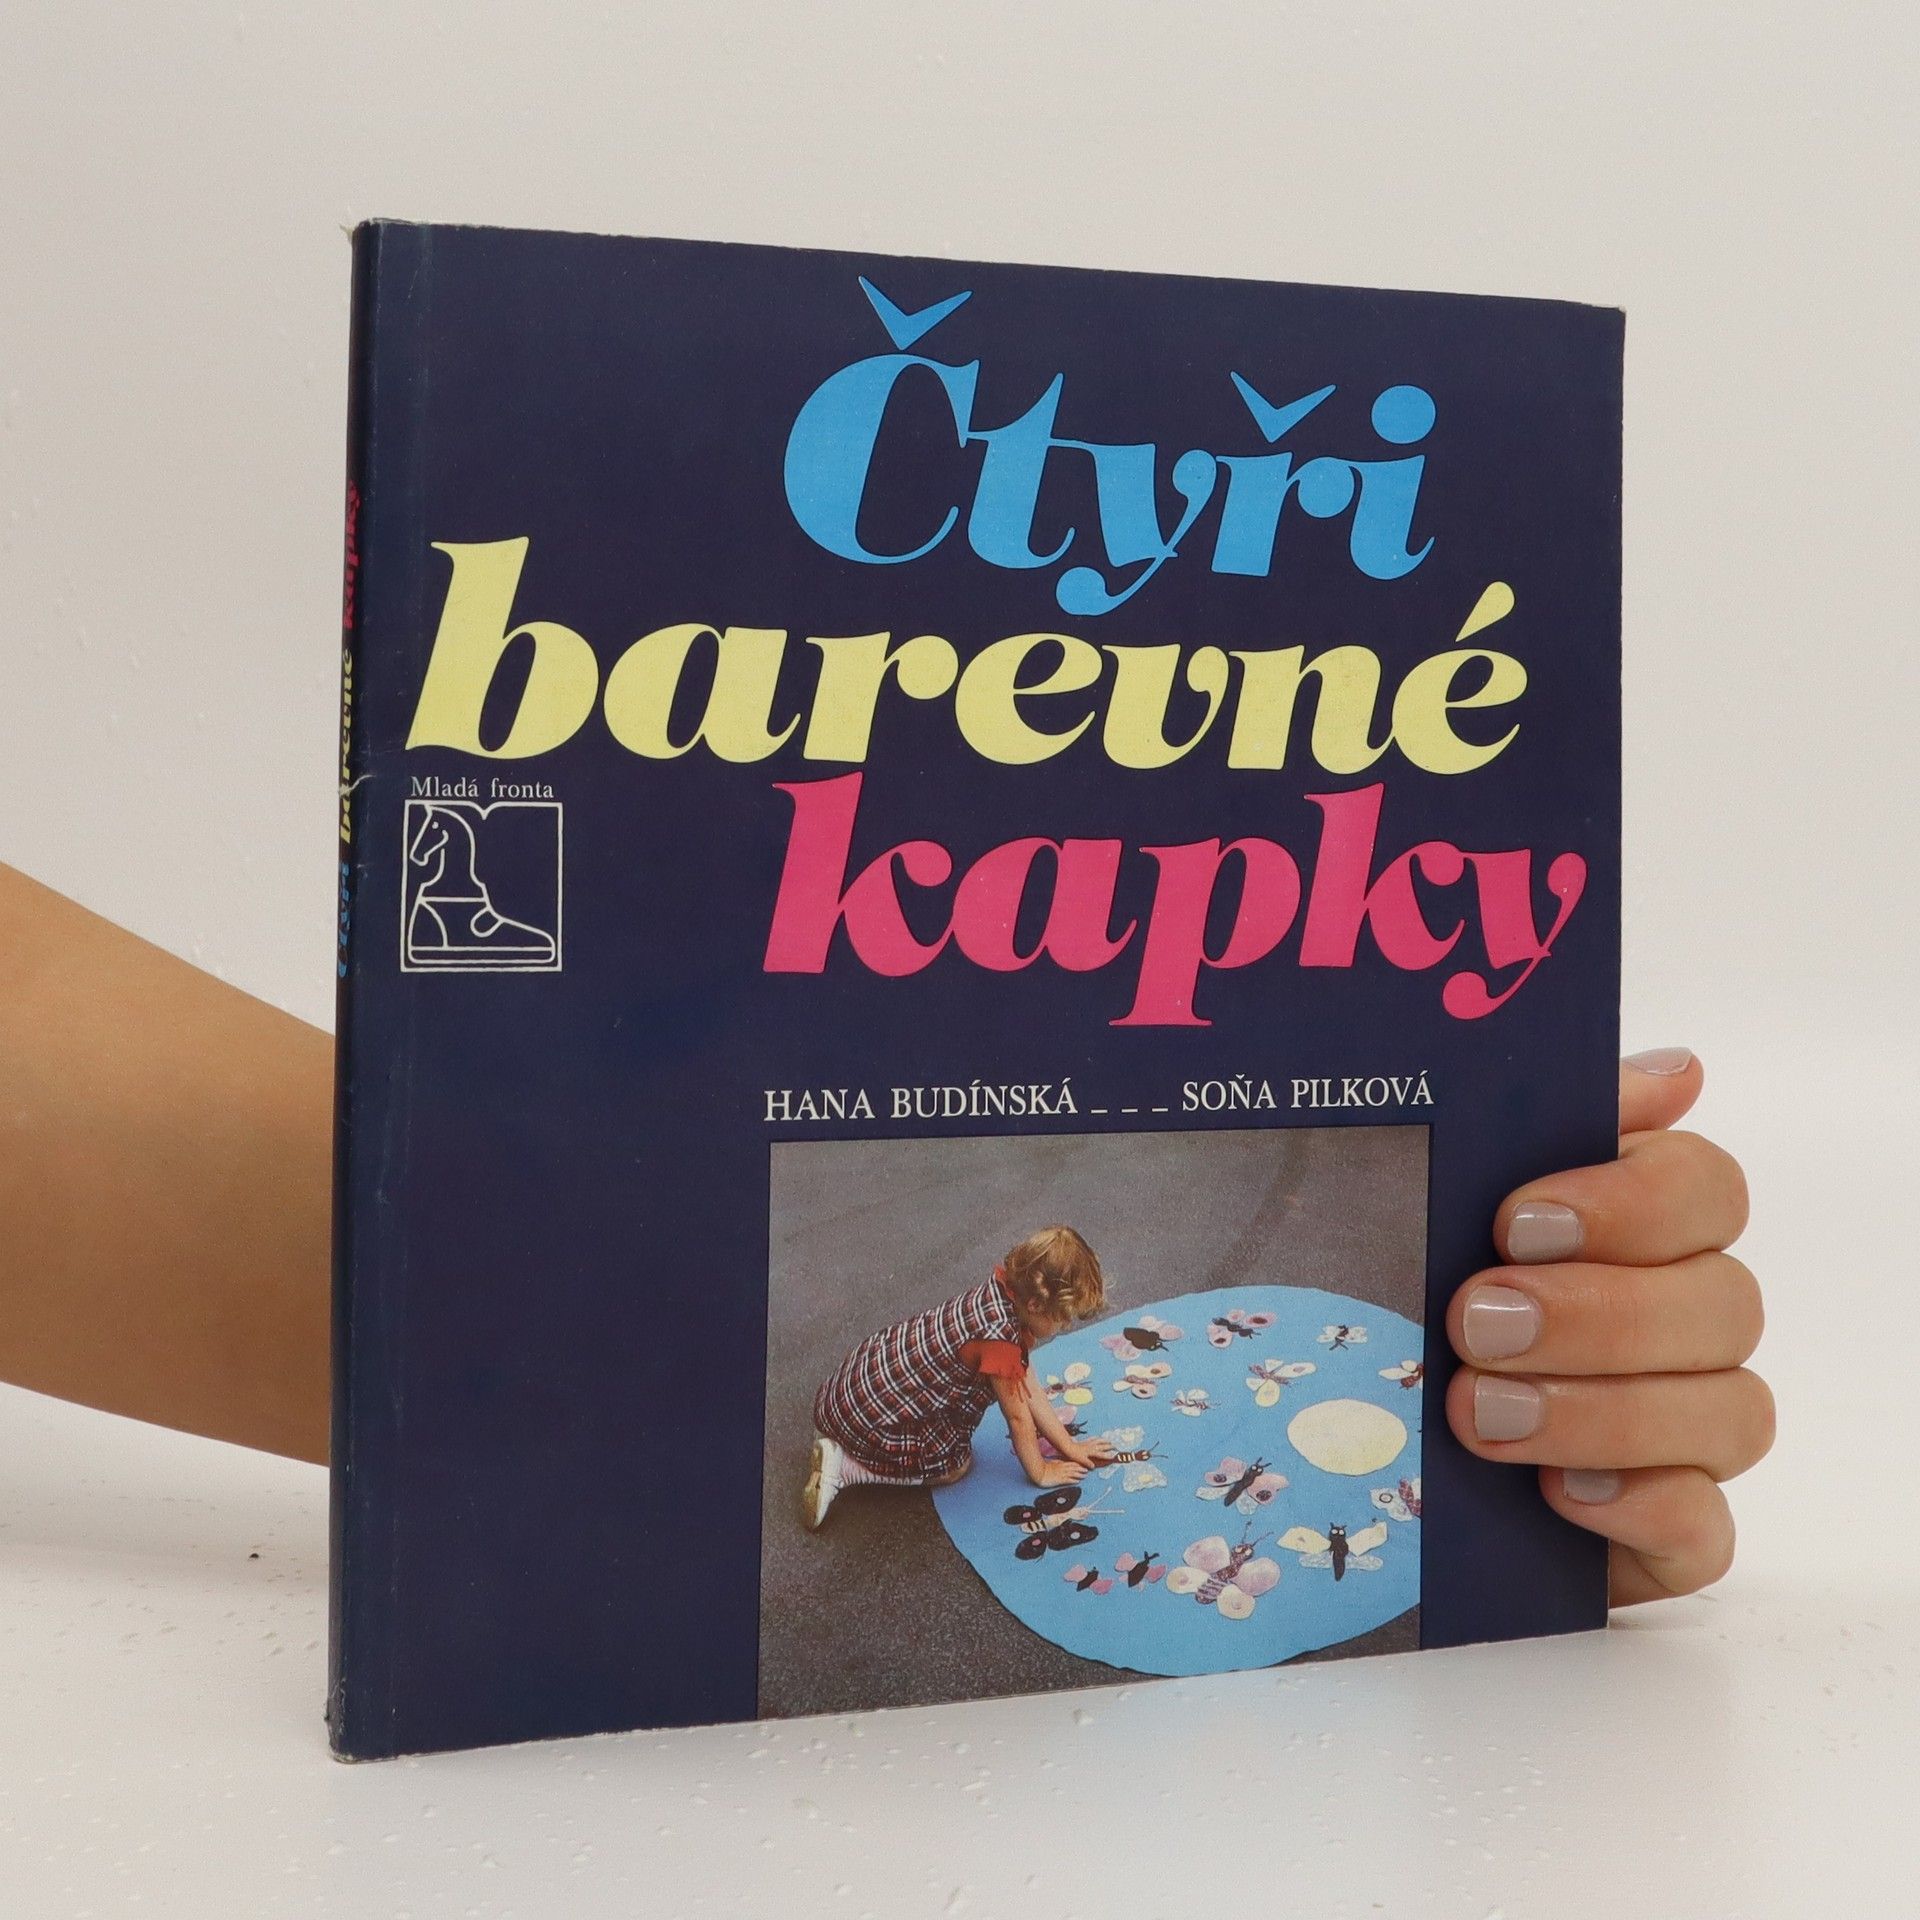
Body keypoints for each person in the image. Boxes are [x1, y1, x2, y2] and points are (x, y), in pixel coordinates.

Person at [0, 862, 1773, 1605]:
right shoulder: (995, 1347)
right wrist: (1079, 1448)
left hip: (834, 1379)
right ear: (1044, 1302)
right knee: (922, 1468)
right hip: (878, 1419)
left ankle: (834, 1454)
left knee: (897, 1434)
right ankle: (843, 1471)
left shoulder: (974, 1305)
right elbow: (1026, 1426)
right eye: (1073, 1317)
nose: (1070, 1336)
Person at [804, 1225, 1115, 1530]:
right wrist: (1041, 1471)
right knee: (955, 1466)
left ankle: (843, 1440)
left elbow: (1027, 1385)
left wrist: (1069, 1446)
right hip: (869, 1418)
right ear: (1035, 1305)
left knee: (940, 1433)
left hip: (848, 1392)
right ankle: (845, 1468)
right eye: (1062, 1319)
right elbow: (1019, 1418)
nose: (1063, 1327)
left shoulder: (1000, 1294)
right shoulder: (1001, 1343)